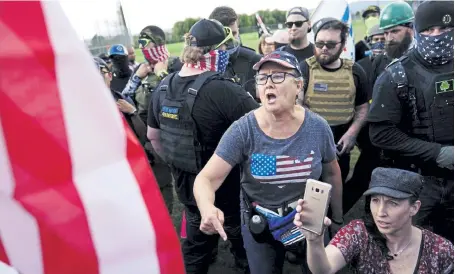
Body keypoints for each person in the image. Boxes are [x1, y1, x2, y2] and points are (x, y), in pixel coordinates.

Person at [193, 50, 343, 274]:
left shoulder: (317, 127)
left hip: (307, 218)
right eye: (262, 78)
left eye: (278, 76)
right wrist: (207, 208)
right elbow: (206, 178)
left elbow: (332, 174)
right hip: (260, 221)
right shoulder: (243, 130)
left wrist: (338, 219)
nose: (268, 83)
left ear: (299, 85)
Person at [147, 18, 258, 274]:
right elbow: (262, 126)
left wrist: (178, 162)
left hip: (185, 186)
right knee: (242, 242)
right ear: (216, 51)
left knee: (196, 247)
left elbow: (153, 136)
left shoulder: (162, 87)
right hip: (228, 189)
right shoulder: (224, 89)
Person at [368, 0, 454, 243]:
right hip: (416, 183)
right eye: (428, 30)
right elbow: (380, 134)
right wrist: (439, 153)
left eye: (445, 30)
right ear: (417, 31)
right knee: (411, 249)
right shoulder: (397, 75)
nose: (436, 36)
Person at [294, 167, 454, 274]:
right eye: (375, 200)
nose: (380, 212)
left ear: (414, 207)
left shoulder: (441, 250)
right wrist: (314, 240)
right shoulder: (358, 232)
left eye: (393, 203)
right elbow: (324, 269)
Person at [298, 18, 369, 185]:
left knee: (336, 188)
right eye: (319, 43)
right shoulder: (305, 68)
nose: (323, 48)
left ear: (343, 43)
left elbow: (363, 108)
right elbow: (297, 104)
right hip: (311, 142)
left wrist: (352, 134)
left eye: (330, 45)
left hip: (341, 143)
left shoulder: (356, 71)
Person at [209, 6, 261, 98]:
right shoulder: (203, 64)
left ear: (238, 31)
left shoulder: (254, 60)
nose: (230, 40)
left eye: (234, 33)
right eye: (225, 35)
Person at [370, 2, 415, 88]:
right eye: (386, 33)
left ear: (410, 29)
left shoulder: (423, 57)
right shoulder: (380, 61)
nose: (389, 38)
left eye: (395, 31)